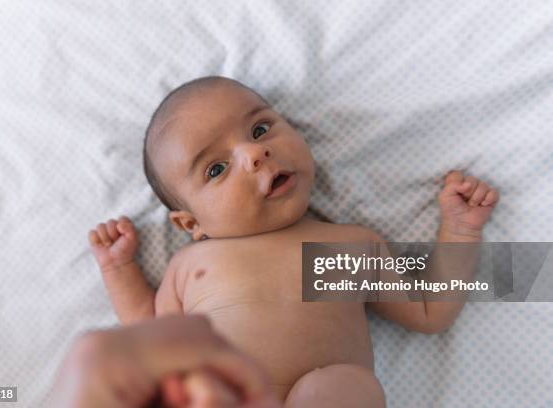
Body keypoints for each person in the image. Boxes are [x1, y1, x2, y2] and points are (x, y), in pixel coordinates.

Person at [88, 76, 499, 407]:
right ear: (191, 222)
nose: (254, 153)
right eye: (216, 169)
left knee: (341, 388)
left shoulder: (348, 248)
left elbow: (430, 309)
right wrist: (118, 269)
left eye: (261, 128)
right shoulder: (194, 265)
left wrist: (460, 231)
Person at [50, 314, 281, 407]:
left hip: (305, 380)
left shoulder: (310, 240)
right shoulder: (187, 262)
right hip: (220, 384)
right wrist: (119, 268)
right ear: (190, 224)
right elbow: (147, 321)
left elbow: (319, 302)